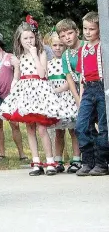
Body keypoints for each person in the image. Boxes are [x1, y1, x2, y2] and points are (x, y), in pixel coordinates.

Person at [0, 17, 64, 176]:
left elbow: (42, 73)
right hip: (25, 92)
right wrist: (14, 83)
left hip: (39, 91)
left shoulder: (41, 52)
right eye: (25, 38)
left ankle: (50, 161)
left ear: (35, 38)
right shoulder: (19, 57)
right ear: (19, 40)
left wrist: (34, 54)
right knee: (30, 128)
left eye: (31, 38)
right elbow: (17, 76)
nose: (29, 41)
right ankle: (36, 161)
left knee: (42, 128)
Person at [74, 12, 109, 176]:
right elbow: (81, 76)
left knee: (103, 127)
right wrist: (81, 98)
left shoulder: (104, 47)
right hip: (88, 89)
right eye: (85, 28)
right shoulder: (82, 50)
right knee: (81, 126)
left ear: (99, 30)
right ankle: (88, 161)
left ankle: (102, 163)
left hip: (102, 88)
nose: (87, 32)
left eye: (91, 29)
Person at [0, 31, 27, 162]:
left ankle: (22, 153)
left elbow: (18, 69)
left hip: (9, 94)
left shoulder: (9, 57)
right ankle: (2, 153)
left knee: (14, 124)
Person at [46, 31, 79, 173]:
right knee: (58, 131)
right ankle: (58, 158)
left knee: (73, 130)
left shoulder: (67, 61)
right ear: (50, 46)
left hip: (68, 97)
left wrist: (58, 90)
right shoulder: (48, 64)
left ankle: (77, 158)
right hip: (55, 101)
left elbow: (70, 80)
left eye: (60, 45)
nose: (58, 48)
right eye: (55, 45)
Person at [56, 18, 85, 173]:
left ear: (77, 32)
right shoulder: (66, 54)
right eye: (62, 35)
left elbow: (84, 73)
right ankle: (85, 157)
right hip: (79, 92)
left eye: (69, 33)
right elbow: (69, 78)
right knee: (82, 126)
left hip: (91, 86)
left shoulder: (86, 47)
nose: (67, 37)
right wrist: (77, 99)